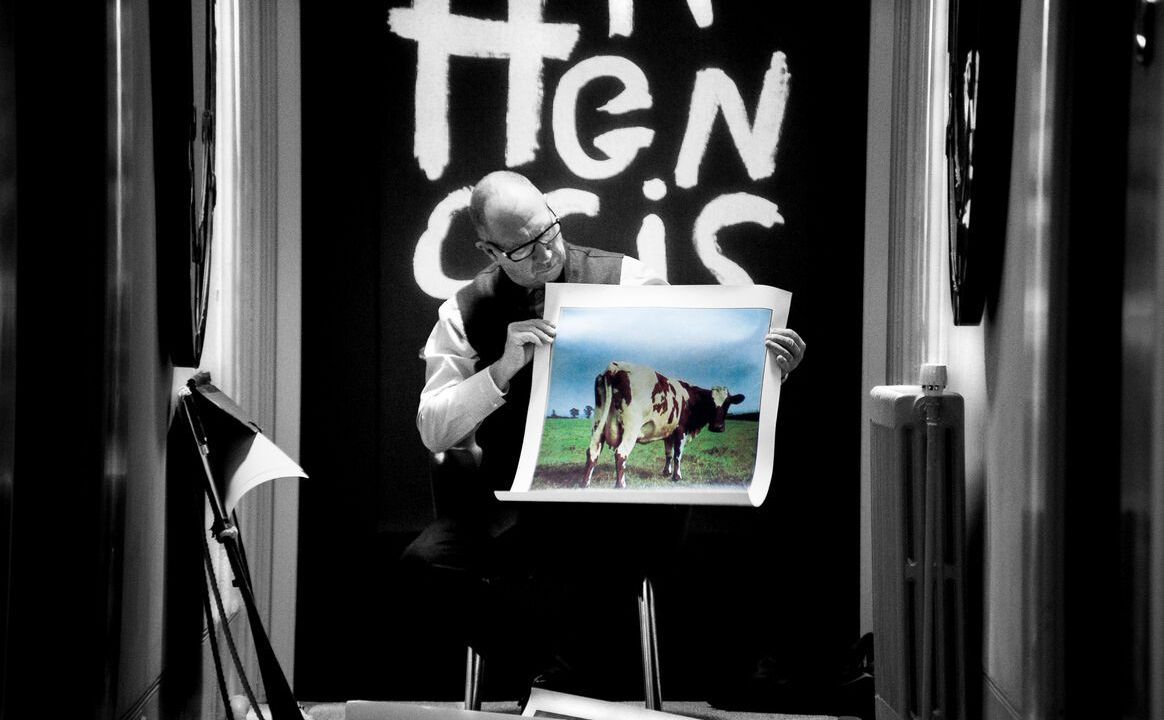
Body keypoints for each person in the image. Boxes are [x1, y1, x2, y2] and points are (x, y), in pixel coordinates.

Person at [402, 170, 806, 697]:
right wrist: (500, 369)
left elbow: (693, 361)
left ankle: (568, 676)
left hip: (615, 508)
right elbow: (433, 429)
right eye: (522, 249)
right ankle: (545, 669)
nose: (545, 253)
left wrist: (768, 369)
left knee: (610, 559)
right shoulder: (462, 311)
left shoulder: (628, 278)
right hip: (514, 509)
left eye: (547, 230)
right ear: (489, 250)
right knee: (424, 564)